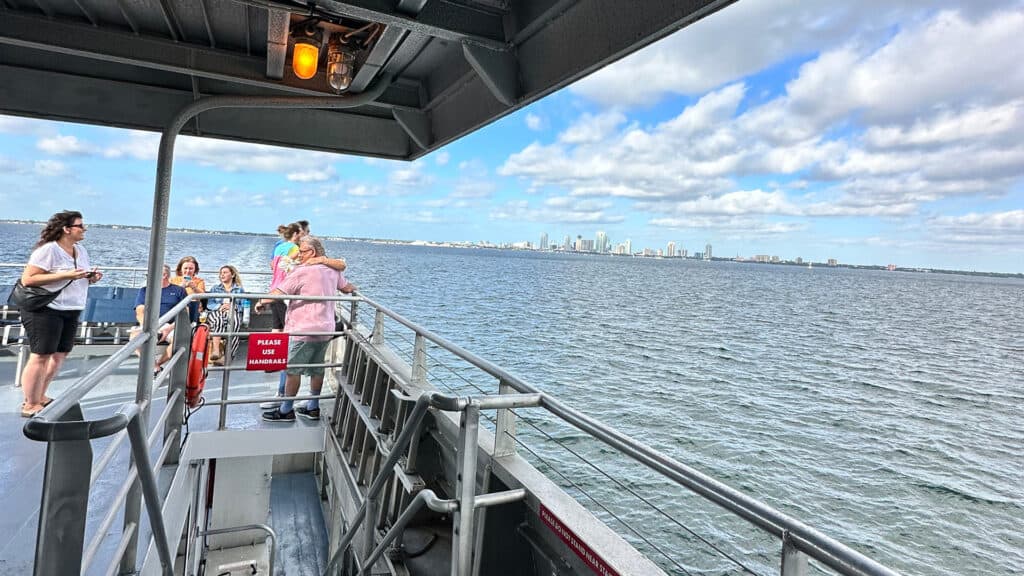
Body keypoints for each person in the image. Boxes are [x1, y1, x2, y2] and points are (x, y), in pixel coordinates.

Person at [255, 235, 356, 422]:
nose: (298, 255)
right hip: (326, 328)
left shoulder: (302, 271)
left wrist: (261, 302)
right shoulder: (332, 270)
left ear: (312, 252)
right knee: (317, 368)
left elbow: (279, 292)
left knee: (292, 370)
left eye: (301, 251)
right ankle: (313, 407)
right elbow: (348, 288)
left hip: (304, 329)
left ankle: (286, 410)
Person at [17, 211, 103, 417]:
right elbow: (28, 279)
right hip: (46, 309)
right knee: (40, 355)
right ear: (66, 229)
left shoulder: (80, 250)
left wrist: (91, 277)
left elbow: (76, 277)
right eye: (80, 226)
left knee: (59, 354)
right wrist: (66, 274)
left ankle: (40, 395)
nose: (85, 229)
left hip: (71, 309)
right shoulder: (48, 250)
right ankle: (30, 404)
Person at [132, 264, 188, 373]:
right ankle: (155, 367)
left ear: (164, 275)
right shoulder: (145, 291)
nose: (149, 277)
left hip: (171, 326)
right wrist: (146, 326)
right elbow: (140, 311)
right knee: (134, 339)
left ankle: (158, 364)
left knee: (179, 341)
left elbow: (186, 313)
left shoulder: (179, 291)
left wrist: (170, 328)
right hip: (150, 325)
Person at [206, 265, 245, 365]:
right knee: (218, 320)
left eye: (225, 272)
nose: (222, 275)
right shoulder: (215, 288)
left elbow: (242, 306)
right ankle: (216, 350)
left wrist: (233, 306)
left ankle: (228, 357)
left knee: (235, 323)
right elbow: (210, 304)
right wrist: (220, 306)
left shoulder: (239, 290)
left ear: (232, 275)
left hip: (232, 312)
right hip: (217, 312)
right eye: (221, 273)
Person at [170, 256, 205, 321]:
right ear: (181, 269)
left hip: (193, 309)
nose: (188, 271)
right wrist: (181, 287)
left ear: (195, 270)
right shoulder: (173, 280)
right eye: (185, 268)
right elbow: (169, 295)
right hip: (175, 308)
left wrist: (194, 287)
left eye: (191, 268)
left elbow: (202, 296)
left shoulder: (200, 281)